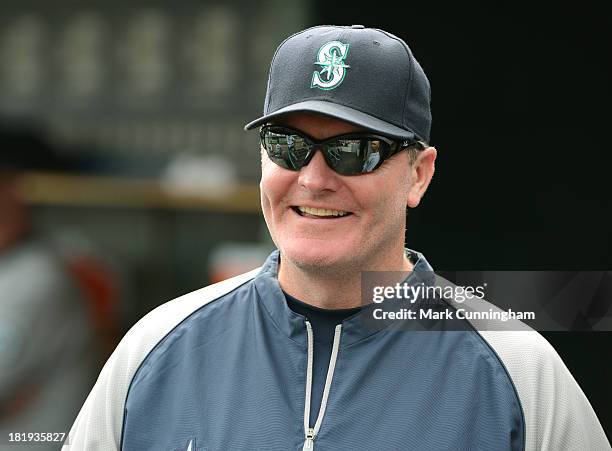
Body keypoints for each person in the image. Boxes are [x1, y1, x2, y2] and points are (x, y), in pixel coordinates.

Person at [64, 25, 611, 450]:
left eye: (355, 150)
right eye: (288, 146)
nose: (314, 179)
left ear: (418, 174)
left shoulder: (516, 367)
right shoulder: (156, 348)